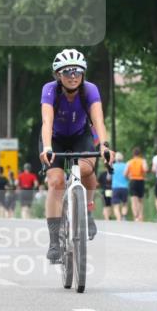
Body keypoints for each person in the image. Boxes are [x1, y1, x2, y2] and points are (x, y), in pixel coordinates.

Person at [39, 48, 113, 263]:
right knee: (56, 182)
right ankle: (54, 241)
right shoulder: (50, 90)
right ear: (58, 75)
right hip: (54, 139)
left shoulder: (90, 90)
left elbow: (98, 120)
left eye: (77, 72)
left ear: (83, 74)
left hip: (81, 135)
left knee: (87, 169)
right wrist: (46, 146)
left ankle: (87, 211)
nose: (73, 76)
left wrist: (105, 146)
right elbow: (47, 121)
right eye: (67, 72)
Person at [124, 147, 148, 222]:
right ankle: (141, 216)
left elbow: (124, 174)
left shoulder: (129, 162)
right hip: (141, 180)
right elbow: (146, 169)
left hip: (133, 181)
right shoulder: (142, 161)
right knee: (140, 200)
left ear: (133, 154)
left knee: (134, 200)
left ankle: (136, 217)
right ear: (140, 154)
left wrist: (129, 176)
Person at [110, 152, 129, 221]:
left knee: (116, 205)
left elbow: (109, 177)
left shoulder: (112, 166)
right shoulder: (126, 165)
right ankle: (124, 216)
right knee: (124, 203)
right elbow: (128, 175)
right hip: (125, 187)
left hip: (115, 187)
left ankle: (118, 219)